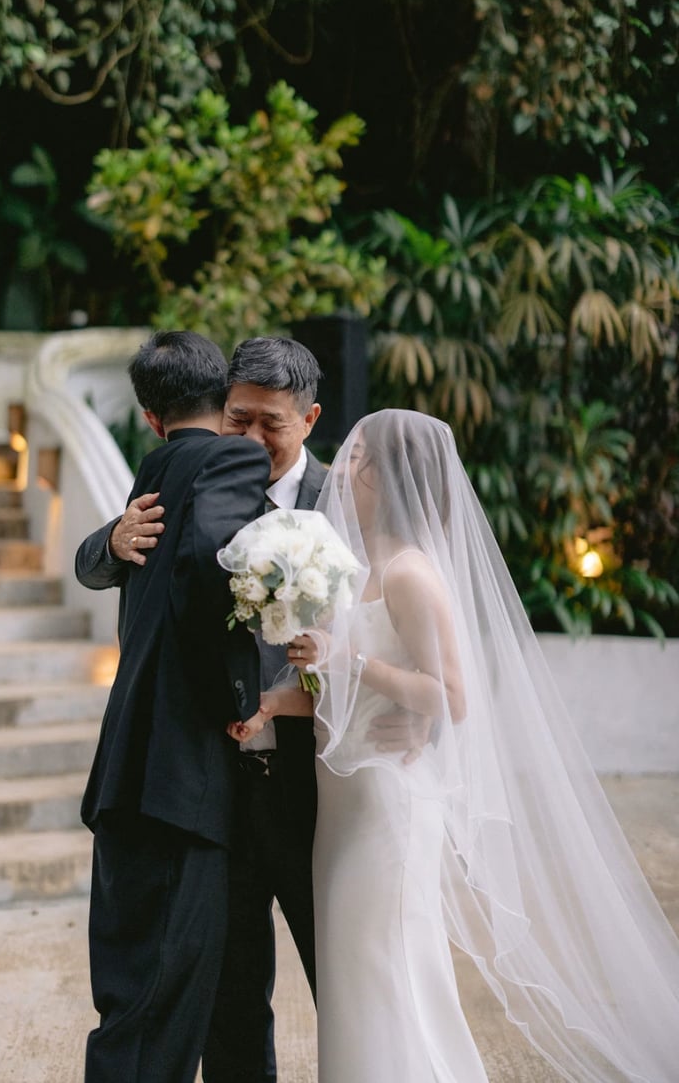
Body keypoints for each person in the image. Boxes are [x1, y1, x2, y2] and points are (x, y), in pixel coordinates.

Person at [241, 409, 679, 1082]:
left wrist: (349, 659)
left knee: (388, 971)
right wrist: (275, 702)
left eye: (358, 459)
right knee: (358, 980)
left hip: (387, 804)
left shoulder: (411, 573)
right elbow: (340, 688)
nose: (344, 470)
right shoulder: (353, 567)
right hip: (344, 806)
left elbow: (450, 693)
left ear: (390, 477)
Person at [76, 336, 327, 1082]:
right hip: (216, 787)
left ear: (308, 418)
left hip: (311, 787)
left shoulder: (344, 498)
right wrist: (112, 540)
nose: (249, 438)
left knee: (345, 980)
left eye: (268, 424)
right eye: (236, 419)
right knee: (229, 995)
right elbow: (102, 560)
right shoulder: (197, 471)